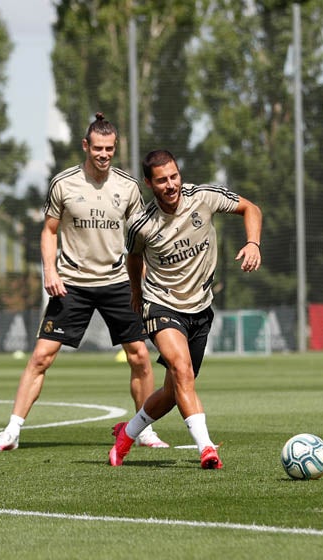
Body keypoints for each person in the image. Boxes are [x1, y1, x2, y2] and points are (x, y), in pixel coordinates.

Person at [0, 113, 167, 453]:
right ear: (85, 146)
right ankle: (11, 431)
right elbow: (49, 231)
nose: (104, 154)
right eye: (98, 148)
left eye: (110, 148)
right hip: (72, 284)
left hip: (117, 283)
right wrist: (49, 273)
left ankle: (143, 430)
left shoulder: (127, 187)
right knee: (41, 357)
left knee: (140, 356)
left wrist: (145, 281)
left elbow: (141, 237)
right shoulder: (63, 184)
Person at [108, 149, 262, 469]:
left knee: (173, 390)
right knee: (181, 369)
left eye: (174, 176)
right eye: (162, 180)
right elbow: (133, 258)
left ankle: (128, 433)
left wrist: (253, 243)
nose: (171, 185)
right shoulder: (141, 226)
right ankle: (206, 448)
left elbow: (251, 208)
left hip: (200, 307)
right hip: (161, 303)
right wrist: (137, 291)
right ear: (150, 184)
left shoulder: (203, 198)